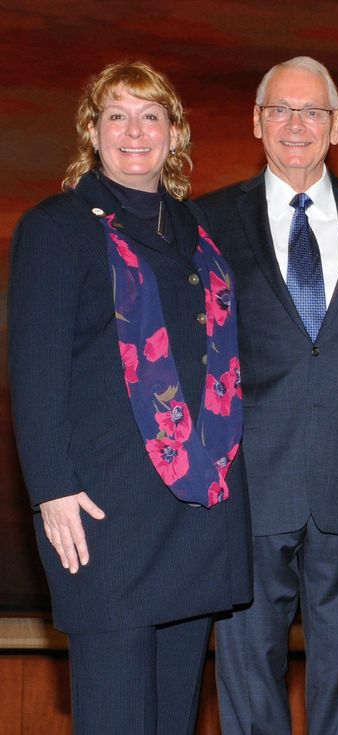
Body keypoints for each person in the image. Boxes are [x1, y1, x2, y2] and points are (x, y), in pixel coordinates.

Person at [8, 61, 251, 734]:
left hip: (194, 514)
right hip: (104, 515)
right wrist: (51, 487)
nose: (135, 131)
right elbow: (35, 369)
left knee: (174, 718)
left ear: (175, 134)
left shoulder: (198, 231)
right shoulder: (57, 227)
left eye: (151, 116)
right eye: (117, 115)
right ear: (92, 130)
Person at [193, 57, 338, 735]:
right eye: (280, 109)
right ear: (256, 121)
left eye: (312, 111)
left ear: (337, 125)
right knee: (246, 673)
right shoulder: (207, 219)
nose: (296, 124)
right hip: (248, 480)